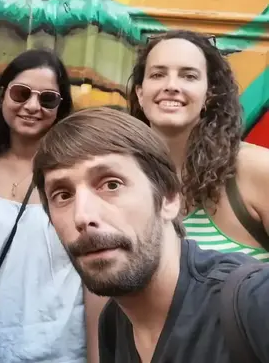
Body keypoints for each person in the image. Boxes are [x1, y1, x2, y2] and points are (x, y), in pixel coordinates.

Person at [33, 107, 269, 362]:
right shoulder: (113, 323)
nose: (82, 216)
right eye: (63, 195)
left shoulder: (252, 301)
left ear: (169, 198)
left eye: (111, 184)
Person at [0, 49, 101, 363]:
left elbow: (94, 269)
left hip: (61, 346)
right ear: (3, 96)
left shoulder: (76, 173)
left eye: (47, 99)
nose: (32, 106)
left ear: (60, 108)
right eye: (21, 93)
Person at [128, 30, 269, 260]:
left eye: (189, 76)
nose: (171, 85)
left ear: (209, 94)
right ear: (140, 93)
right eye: (158, 74)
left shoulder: (257, 169)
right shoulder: (121, 176)